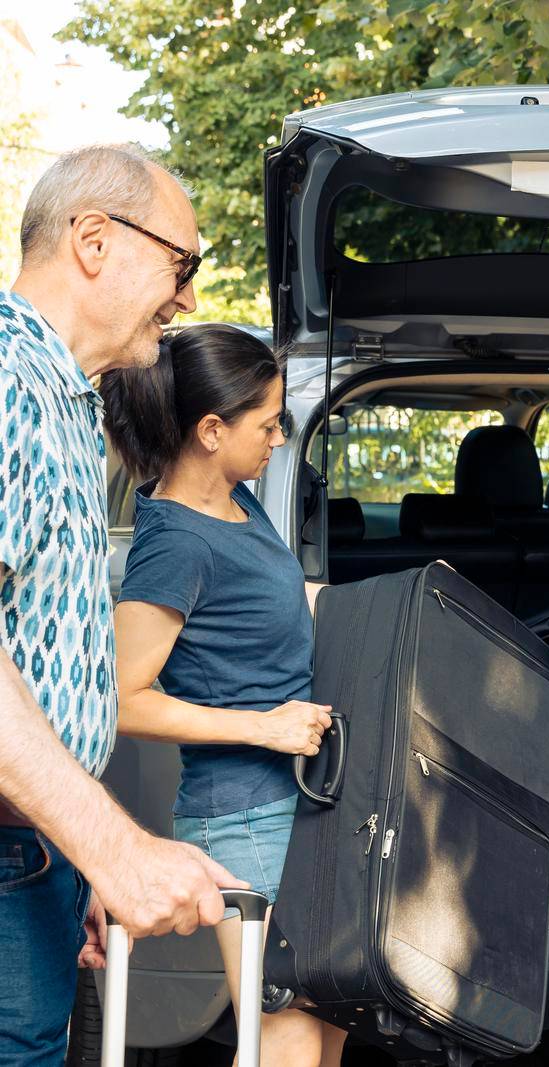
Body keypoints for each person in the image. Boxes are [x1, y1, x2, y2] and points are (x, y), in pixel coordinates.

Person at [1, 145, 245, 1065]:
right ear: (94, 241)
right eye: (182, 263)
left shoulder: (62, 399)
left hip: (33, 852)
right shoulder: (7, 387)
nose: (185, 297)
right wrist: (111, 845)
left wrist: (74, 851)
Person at [101, 324, 348, 1067]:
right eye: (268, 422)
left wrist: (401, 611)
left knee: (327, 1023)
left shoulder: (241, 505)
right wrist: (262, 727)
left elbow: (280, 601)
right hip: (242, 817)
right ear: (211, 430)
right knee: (283, 1040)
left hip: (300, 801)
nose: (279, 436)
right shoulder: (173, 541)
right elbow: (122, 698)